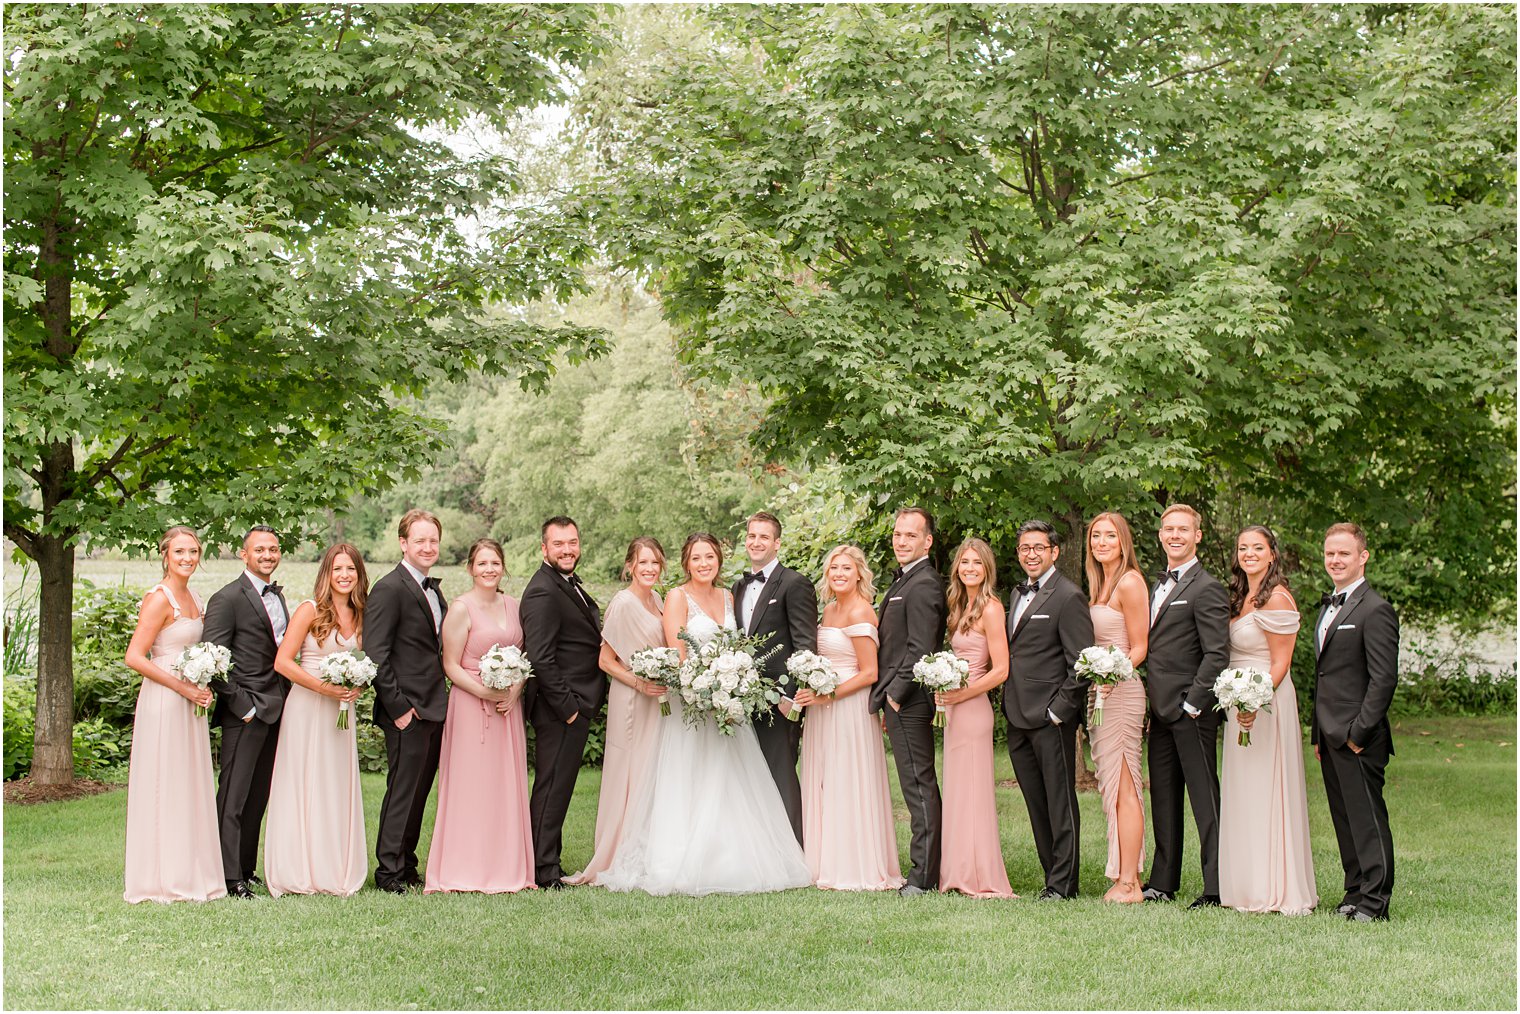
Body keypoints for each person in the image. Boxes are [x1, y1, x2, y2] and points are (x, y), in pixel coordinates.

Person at [597, 533, 810, 896]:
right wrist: (704, 690)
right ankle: (682, 858)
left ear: (718, 561)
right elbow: (679, 651)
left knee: (730, 779)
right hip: (692, 701)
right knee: (691, 778)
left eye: (709, 557)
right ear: (685, 563)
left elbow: (736, 646)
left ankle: (733, 856)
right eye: (696, 558)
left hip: (729, 704)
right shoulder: (677, 597)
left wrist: (732, 688)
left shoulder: (729, 596)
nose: (703, 564)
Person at [123, 526, 225, 903]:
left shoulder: (195, 595)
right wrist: (182, 686)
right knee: (165, 782)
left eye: (194, 552)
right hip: (165, 700)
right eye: (180, 551)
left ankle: (191, 869)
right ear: (165, 555)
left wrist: (203, 679)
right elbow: (134, 656)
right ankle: (161, 876)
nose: (188, 558)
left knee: (188, 782)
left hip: (190, 699)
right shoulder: (159, 598)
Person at [425, 538, 534, 893]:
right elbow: (450, 665)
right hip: (472, 707)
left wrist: (515, 688)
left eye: (495, 563)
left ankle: (506, 865)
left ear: (503, 567)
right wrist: (485, 692)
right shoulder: (460, 609)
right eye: (482, 563)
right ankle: (464, 866)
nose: (489, 569)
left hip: (507, 709)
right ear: (471, 568)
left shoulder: (515, 606)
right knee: (471, 786)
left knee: (504, 784)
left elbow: (524, 655)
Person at [1218, 525, 1316, 915]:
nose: (1249, 553)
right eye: (1243, 548)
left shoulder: (1277, 598)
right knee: (1244, 792)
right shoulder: (1241, 597)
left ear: (1272, 554)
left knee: (1267, 789)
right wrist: (1236, 699)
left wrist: (1255, 701)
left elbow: (1281, 663)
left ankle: (1273, 885)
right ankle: (1244, 885)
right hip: (1237, 698)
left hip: (1268, 701)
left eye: (1257, 547)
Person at [264, 543, 368, 897]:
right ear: (326, 573)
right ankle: (298, 869)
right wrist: (326, 689)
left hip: (341, 713)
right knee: (304, 782)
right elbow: (283, 662)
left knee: (334, 785)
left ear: (359, 574)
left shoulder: (363, 614)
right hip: (307, 708)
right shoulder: (310, 610)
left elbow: (365, 663)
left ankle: (333, 866)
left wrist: (358, 684)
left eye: (351, 569)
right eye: (337, 569)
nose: (344, 575)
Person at [797, 544, 903, 891]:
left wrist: (828, 693)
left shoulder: (861, 611)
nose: (839, 574)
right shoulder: (828, 610)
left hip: (849, 708)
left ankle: (854, 864)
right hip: (822, 707)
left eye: (846, 568)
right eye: (833, 569)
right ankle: (823, 861)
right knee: (825, 779)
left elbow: (869, 672)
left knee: (847, 780)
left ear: (859, 573)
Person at [1141, 503, 1230, 909]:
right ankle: (1162, 881)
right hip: (1159, 711)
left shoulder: (1207, 587)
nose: (1174, 535)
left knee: (1204, 800)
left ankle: (1216, 885)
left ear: (1198, 536)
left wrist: (1194, 704)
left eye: (1183, 529)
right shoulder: (1153, 585)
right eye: (1168, 529)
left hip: (1191, 712)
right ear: (1161, 535)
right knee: (1164, 796)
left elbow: (1216, 653)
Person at [566, 538, 668, 885]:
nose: (649, 569)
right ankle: (618, 850)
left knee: (650, 771)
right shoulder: (623, 603)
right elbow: (605, 660)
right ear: (630, 566)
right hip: (632, 699)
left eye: (655, 562)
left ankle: (647, 847)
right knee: (629, 771)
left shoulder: (658, 600)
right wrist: (640, 684)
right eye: (643, 563)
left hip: (657, 699)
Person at [1313, 522, 1398, 922]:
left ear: (1363, 557)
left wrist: (1358, 733)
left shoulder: (1375, 609)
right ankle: (1353, 892)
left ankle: (1375, 902)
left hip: (1358, 735)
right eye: (1330, 553)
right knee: (1344, 819)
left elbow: (1383, 679)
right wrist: (1318, 733)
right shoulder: (1331, 606)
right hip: (1329, 735)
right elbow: (1326, 675)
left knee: (1367, 820)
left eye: (1344, 553)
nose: (1335, 560)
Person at [1004, 520, 1093, 901]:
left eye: (1039, 547)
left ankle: (1064, 885)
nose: (1031, 554)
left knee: (1059, 801)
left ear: (1054, 551)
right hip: (1016, 714)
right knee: (1035, 801)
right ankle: (1049, 876)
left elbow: (1081, 663)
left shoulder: (1069, 596)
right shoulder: (1015, 594)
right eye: (1025, 548)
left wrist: (1059, 711)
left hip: (1050, 717)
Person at [365, 509, 450, 894]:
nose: (428, 547)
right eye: (420, 540)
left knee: (419, 791)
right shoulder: (388, 588)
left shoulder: (433, 589)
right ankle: (388, 872)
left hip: (435, 706)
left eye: (433, 540)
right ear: (403, 543)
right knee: (402, 789)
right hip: (406, 711)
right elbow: (376, 655)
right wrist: (399, 709)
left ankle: (407, 862)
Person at [202, 524, 290, 899]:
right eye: (259, 550)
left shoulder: (279, 598)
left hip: (278, 707)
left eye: (273, 549)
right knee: (233, 797)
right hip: (246, 712)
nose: (267, 555)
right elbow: (212, 660)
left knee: (258, 795)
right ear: (244, 554)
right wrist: (244, 706)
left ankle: (246, 868)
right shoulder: (227, 598)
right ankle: (228, 876)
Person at [519, 515, 604, 889]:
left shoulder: (566, 583)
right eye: (559, 544)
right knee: (552, 787)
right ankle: (543, 869)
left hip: (574, 703)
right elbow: (540, 656)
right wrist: (568, 707)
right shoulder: (542, 590)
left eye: (572, 542)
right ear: (544, 548)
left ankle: (546, 858)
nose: (567, 549)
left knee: (559, 786)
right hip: (560, 709)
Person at [873, 506, 948, 896]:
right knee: (915, 784)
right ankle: (925, 869)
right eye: (898, 535)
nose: (902, 541)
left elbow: (920, 648)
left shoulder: (924, 584)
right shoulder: (906, 580)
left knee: (919, 785)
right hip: (902, 700)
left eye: (910, 536)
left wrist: (896, 696)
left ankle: (922, 877)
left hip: (911, 701)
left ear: (927, 541)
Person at [731, 511, 818, 844]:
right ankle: (759, 847)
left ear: (777, 543)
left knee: (781, 773)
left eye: (764, 537)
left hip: (780, 701)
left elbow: (805, 645)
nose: (756, 542)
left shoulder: (795, 584)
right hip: (742, 698)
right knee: (750, 775)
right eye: (752, 536)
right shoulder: (739, 587)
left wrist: (791, 698)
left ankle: (793, 848)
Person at [936, 537, 1014, 899]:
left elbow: (1001, 670)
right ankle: (956, 871)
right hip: (954, 709)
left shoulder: (992, 609)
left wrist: (962, 693)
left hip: (973, 707)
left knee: (974, 791)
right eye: (964, 563)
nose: (969, 568)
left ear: (987, 570)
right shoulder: (957, 606)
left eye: (976, 563)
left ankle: (978, 874)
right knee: (958, 791)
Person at [1083, 511, 1150, 904]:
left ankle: (1130, 882)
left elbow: (1140, 646)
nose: (1101, 542)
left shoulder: (1130, 582)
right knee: (1111, 784)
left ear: (1123, 541)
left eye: (1109, 536)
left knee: (1126, 784)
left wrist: (1113, 673)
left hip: (1122, 690)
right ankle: (1126, 873)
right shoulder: (1099, 583)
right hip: (1100, 690)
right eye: (1096, 536)